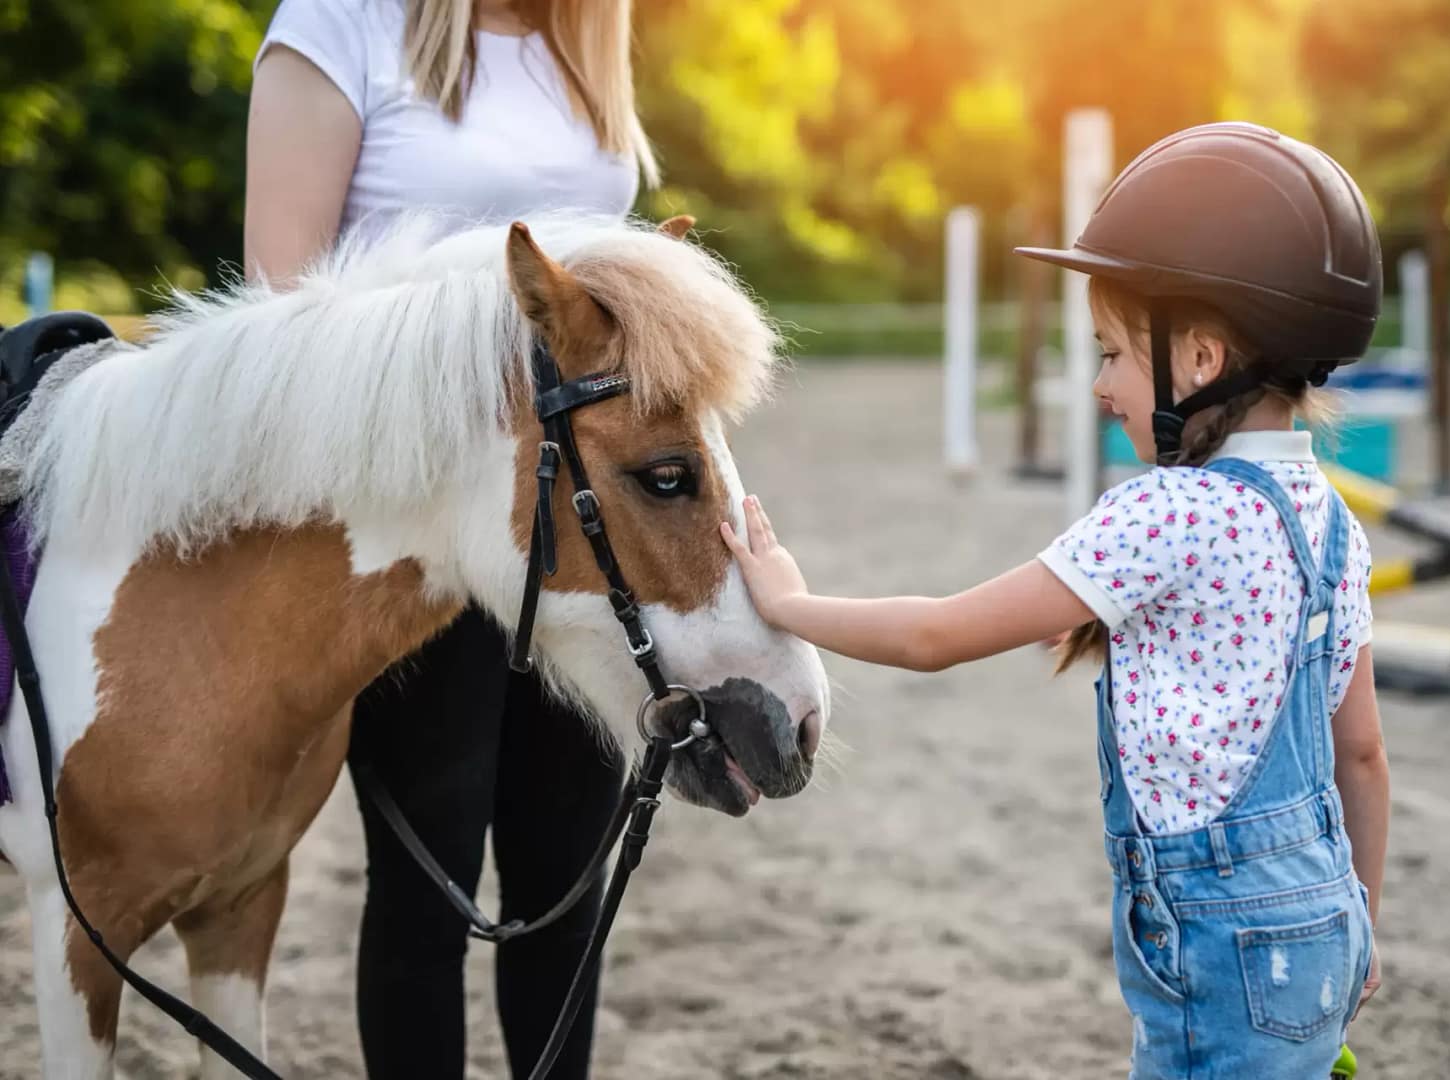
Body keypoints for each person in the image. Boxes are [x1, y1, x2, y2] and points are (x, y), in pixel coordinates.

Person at [719, 122, 1389, 1079]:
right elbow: (1359, 753)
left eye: (1112, 351)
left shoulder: (1170, 512)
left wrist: (790, 603)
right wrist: (1361, 918)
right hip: (1323, 918)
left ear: (1202, 358)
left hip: (1219, 940)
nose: (1099, 383)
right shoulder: (1332, 525)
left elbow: (936, 635)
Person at [243, 1, 658, 1075]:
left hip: (576, 532)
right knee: (426, 890)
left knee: (566, 887)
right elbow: (278, 303)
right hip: (414, 533)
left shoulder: (589, 43)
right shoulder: (339, 23)